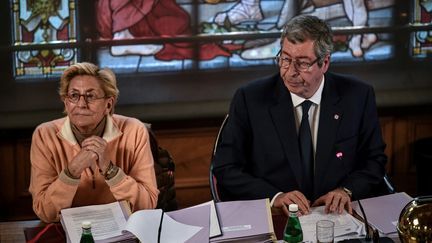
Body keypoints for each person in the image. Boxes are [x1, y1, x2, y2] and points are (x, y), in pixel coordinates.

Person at [212, 15, 387, 216]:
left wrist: (346, 190)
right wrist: (275, 196)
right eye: (285, 59)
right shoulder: (250, 99)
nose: (290, 72)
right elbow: (226, 167)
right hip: (276, 216)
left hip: (336, 215)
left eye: (302, 63)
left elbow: (374, 160)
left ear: (325, 63)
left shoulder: (357, 96)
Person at [29, 62, 159, 223]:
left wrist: (110, 170)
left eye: (90, 96)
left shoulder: (135, 130)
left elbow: (147, 206)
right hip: (66, 231)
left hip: (123, 229)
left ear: (108, 104)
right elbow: (45, 212)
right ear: (66, 102)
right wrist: (72, 170)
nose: (81, 104)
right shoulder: (44, 135)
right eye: (74, 96)